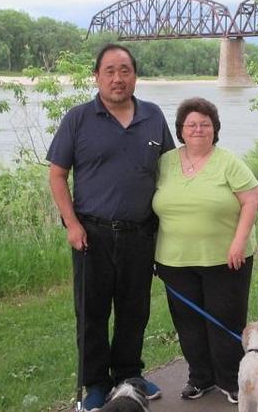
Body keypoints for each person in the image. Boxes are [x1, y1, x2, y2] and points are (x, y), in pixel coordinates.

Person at [47, 43, 175, 411]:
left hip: (140, 233)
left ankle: (128, 374)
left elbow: (167, 171)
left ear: (135, 75)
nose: (118, 78)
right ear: (97, 76)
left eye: (125, 70)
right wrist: (71, 224)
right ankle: (97, 384)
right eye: (110, 71)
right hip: (92, 234)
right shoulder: (78, 119)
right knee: (92, 312)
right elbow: (57, 175)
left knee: (135, 309)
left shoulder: (152, 117)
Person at [152, 97, 258, 405]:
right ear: (181, 130)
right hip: (174, 261)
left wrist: (238, 242)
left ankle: (231, 380)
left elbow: (251, 199)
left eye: (205, 124)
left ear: (215, 130)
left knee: (224, 321)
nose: (198, 129)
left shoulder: (227, 161)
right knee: (187, 323)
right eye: (191, 125)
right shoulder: (165, 163)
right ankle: (201, 378)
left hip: (225, 258)